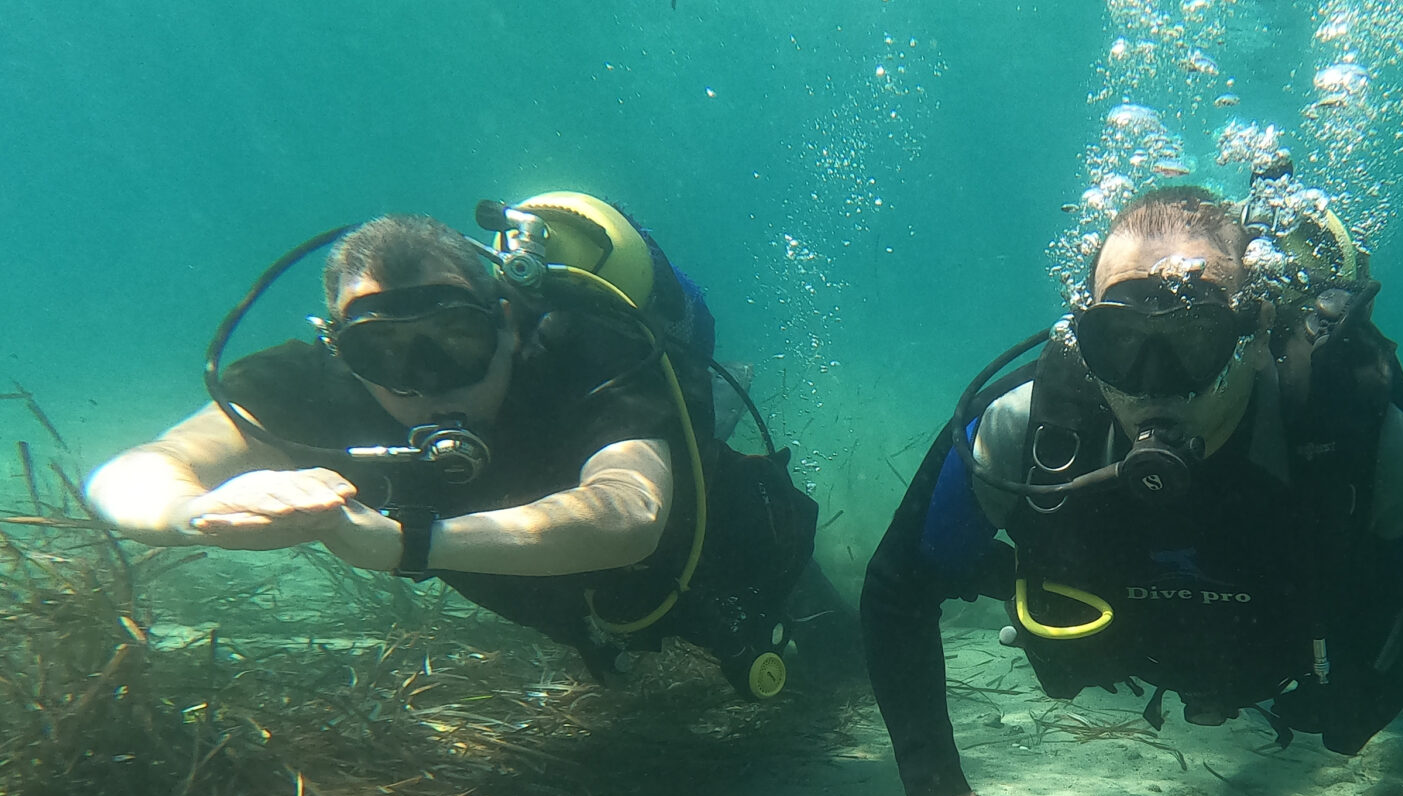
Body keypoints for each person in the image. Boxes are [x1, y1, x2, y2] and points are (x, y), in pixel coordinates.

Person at [861, 176, 1403, 796]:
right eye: (1119, 342)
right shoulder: (1023, 428)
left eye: (1192, 340)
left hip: (1312, 651)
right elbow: (899, 586)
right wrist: (937, 794)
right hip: (1137, 646)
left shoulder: (1361, 428)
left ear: (1255, 336)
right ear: (1081, 338)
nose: (1152, 386)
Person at [88, 193, 846, 693]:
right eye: (383, 353)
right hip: (569, 601)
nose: (424, 384)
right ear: (340, 351)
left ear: (507, 322)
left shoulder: (590, 348)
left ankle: (714, 422)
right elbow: (135, 472)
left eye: (454, 340)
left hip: (718, 549)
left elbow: (630, 510)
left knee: (836, 662)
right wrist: (197, 512)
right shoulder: (316, 385)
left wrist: (406, 544)